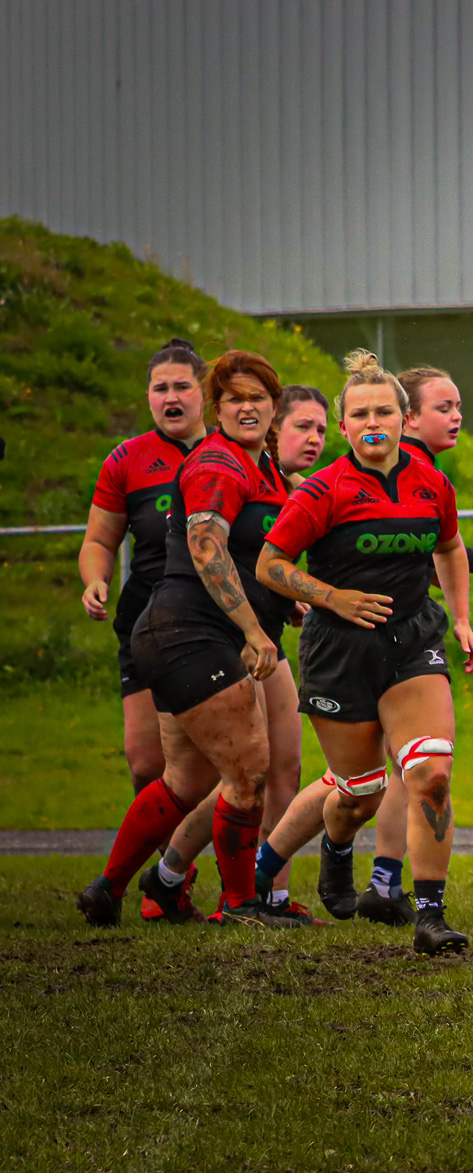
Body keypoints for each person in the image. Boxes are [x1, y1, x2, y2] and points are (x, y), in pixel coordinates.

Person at [261, 366, 473, 927]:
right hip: (339, 651)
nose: (372, 423)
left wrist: (462, 620)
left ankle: (430, 914)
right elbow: (270, 566)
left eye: (383, 412)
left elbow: (449, 549)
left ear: (403, 420)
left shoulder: (432, 483)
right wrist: (334, 597)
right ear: (343, 424)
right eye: (360, 414)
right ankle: (334, 846)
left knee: (431, 771)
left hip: (412, 641)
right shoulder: (322, 490)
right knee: (359, 793)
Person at [77, 351, 306, 928]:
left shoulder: (265, 467)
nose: (247, 407)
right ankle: (241, 903)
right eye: (234, 399)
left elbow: (256, 554)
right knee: (249, 770)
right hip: (191, 634)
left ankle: (110, 888)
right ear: (218, 410)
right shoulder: (218, 464)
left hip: (185, 632)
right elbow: (207, 550)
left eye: (258, 397)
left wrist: (284, 601)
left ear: (274, 406)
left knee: (185, 780)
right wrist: (255, 630)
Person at [76, 338, 209, 922]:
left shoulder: (235, 453)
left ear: (204, 393)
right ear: (148, 397)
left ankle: (187, 879)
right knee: (145, 765)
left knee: (220, 766)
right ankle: (168, 876)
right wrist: (94, 579)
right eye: (161, 388)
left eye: (182, 386)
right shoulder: (127, 459)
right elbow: (100, 540)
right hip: (145, 625)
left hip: (214, 625)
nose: (171, 397)